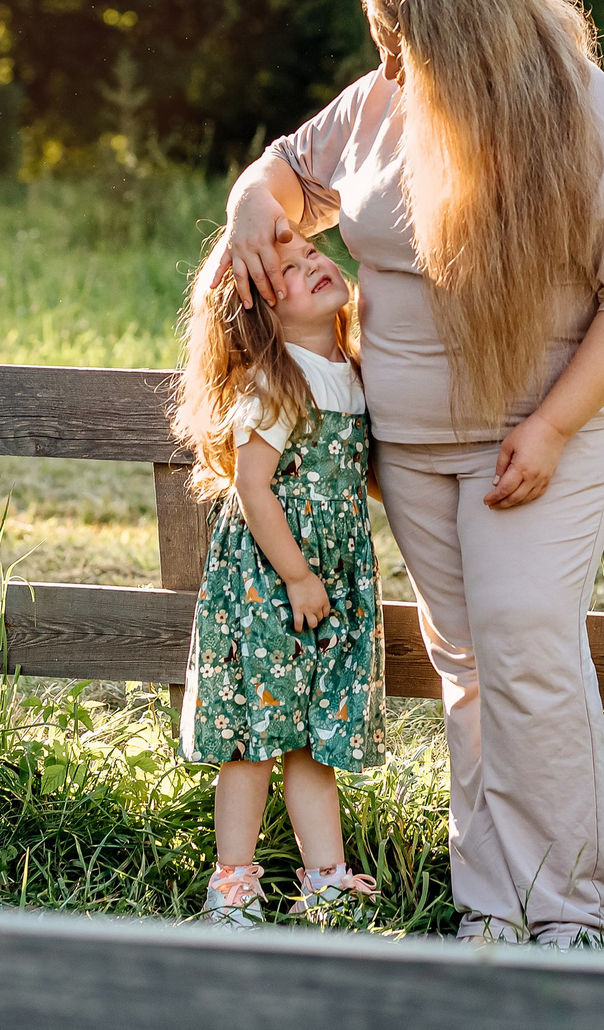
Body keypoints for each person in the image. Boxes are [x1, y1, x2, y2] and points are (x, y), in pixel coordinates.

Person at [216, 0, 604, 948]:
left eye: (399, 45)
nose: (385, 66)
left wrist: (554, 425)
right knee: (467, 663)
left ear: (464, 40)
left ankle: (573, 911)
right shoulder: (384, 100)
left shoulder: (588, 115)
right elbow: (288, 169)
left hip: (542, 435)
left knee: (528, 649)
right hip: (414, 447)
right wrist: (252, 203)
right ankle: (491, 905)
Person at [170, 229, 385, 928]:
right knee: (255, 736)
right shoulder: (278, 380)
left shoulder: (355, 370)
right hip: (269, 579)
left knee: (314, 733)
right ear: (260, 310)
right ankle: (232, 886)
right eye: (288, 268)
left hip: (332, 578)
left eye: (313, 252)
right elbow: (253, 487)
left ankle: (325, 881)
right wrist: (296, 575)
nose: (315, 262)